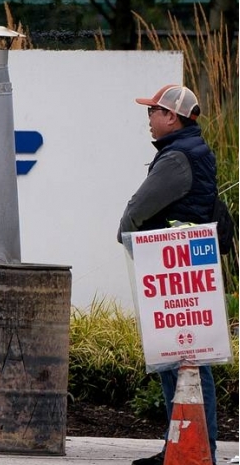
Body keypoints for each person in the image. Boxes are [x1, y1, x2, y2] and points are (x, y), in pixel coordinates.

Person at [117, 84, 218, 465]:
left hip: (170, 267)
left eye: (153, 112)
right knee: (186, 357)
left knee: (181, 359)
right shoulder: (191, 150)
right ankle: (183, 444)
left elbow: (138, 208)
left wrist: (125, 235)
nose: (149, 119)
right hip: (183, 266)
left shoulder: (177, 157)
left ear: (171, 117)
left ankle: (191, 447)